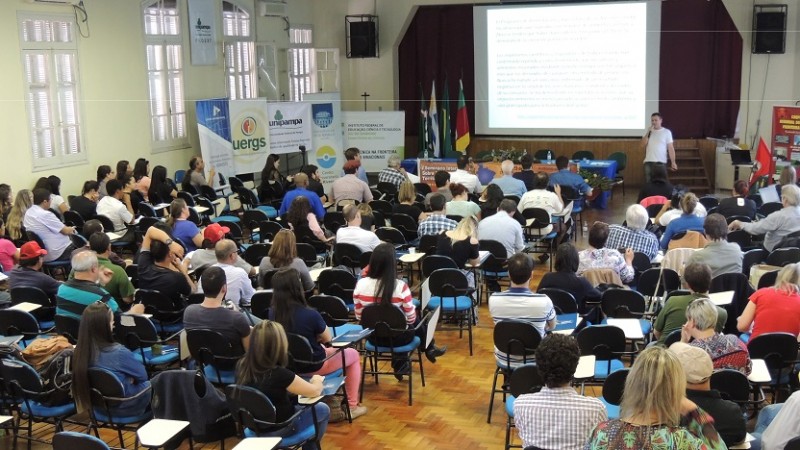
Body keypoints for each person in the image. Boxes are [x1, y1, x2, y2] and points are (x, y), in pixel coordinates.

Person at [270, 268, 368, 420]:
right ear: (298, 287)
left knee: (324, 349)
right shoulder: (310, 314)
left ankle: (331, 398)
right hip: (315, 365)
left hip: (288, 366)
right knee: (353, 354)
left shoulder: (272, 313)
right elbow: (328, 338)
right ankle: (352, 405)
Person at [585, 346, 725, 450]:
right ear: (676, 390)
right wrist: (693, 410)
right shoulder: (682, 440)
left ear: (632, 383)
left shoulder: (601, 433)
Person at [235, 320, 331, 449]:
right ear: (279, 344)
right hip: (281, 429)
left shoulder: (241, 365)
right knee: (322, 409)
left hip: (253, 427)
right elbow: (314, 391)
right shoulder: (280, 374)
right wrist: (317, 380)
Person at [354, 243, 446, 365]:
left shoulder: (360, 284)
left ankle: (410, 360)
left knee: (399, 321)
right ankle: (426, 349)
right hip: (399, 339)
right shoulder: (400, 287)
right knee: (411, 320)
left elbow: (359, 317)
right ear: (393, 263)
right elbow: (411, 319)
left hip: (373, 336)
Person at [513, 334, 606, 450]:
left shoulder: (520, 404)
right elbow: (599, 444)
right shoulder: (596, 409)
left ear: (538, 366)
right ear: (575, 367)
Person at [72, 302, 151, 417]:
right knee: (160, 381)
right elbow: (143, 376)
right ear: (103, 326)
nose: (113, 325)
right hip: (127, 407)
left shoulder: (79, 352)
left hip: (98, 408)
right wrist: (128, 379)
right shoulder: (119, 353)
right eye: (111, 321)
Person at [669, 342, 746, 447]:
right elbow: (739, 441)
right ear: (712, 370)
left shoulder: (668, 414)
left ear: (677, 376)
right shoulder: (733, 412)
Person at [489, 253, 555, 365]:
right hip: (535, 360)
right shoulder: (544, 301)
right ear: (532, 275)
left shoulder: (493, 299)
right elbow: (552, 326)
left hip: (505, 359)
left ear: (509, 274)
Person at [56, 250, 144, 319]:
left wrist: (100, 283)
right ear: (94, 269)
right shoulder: (101, 297)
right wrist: (134, 312)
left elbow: (85, 290)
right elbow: (121, 321)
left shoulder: (62, 289)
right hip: (94, 338)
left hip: (72, 337)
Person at [654, 263, 727, 345]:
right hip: (699, 355)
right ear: (711, 281)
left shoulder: (672, 301)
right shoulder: (721, 313)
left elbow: (657, 332)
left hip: (665, 353)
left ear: (687, 284)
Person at [184, 266, 251, 353]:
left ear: (203, 287)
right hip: (235, 364)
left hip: (204, 361)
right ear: (224, 288)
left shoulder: (189, 312)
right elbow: (248, 352)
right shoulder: (236, 318)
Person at [680, 298, 751, 375]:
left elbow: (678, 375)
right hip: (737, 386)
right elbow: (748, 370)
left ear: (693, 322)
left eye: (688, 320)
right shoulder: (736, 342)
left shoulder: (690, 352)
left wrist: (683, 342)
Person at [737, 262, 800, 342]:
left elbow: (742, 327)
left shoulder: (760, 293)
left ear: (779, 276)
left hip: (756, 351)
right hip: (788, 352)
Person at [729, 184, 800, 251]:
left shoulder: (778, 216)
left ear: (785, 199)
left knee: (742, 247)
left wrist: (739, 223)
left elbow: (756, 229)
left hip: (771, 253)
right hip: (793, 253)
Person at [137, 225, 195, 303]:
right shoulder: (177, 278)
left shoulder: (143, 266)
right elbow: (193, 292)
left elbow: (150, 230)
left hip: (149, 310)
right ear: (170, 254)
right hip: (174, 313)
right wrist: (182, 269)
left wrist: (170, 244)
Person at [538, 243, 602, 313]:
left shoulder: (547, 278)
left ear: (557, 260)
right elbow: (598, 297)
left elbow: (539, 296)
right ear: (576, 260)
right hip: (576, 321)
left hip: (551, 319)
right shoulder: (581, 282)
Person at [195, 239, 255, 311]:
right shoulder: (240, 273)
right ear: (232, 255)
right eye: (237, 252)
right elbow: (249, 300)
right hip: (233, 316)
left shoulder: (206, 273)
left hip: (205, 315)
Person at [23, 188, 76, 261]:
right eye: (50, 199)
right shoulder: (46, 215)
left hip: (41, 253)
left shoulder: (28, 212)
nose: (51, 202)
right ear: (45, 202)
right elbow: (66, 231)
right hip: (58, 252)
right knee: (82, 247)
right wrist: (72, 228)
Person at [86, 233, 135, 308]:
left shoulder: (79, 268)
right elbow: (128, 299)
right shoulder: (117, 271)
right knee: (133, 314)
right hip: (114, 312)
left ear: (89, 247)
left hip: (84, 310)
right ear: (109, 247)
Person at [687, 213, 743, 278]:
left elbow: (686, 282)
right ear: (726, 229)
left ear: (705, 232)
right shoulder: (737, 249)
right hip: (735, 288)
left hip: (710, 288)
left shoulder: (697, 257)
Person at [189, 223, 255, 276]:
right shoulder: (230, 256)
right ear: (222, 239)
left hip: (204, 291)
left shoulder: (196, 254)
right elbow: (252, 272)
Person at [435, 216, 480, 286]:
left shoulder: (442, 233)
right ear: (474, 229)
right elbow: (474, 264)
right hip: (457, 277)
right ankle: (473, 296)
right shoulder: (472, 241)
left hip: (437, 274)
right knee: (474, 274)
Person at [641, 112, 677, 183]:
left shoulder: (667, 132)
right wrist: (648, 132)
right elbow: (642, 145)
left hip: (661, 162)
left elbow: (671, 148)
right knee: (649, 183)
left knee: (662, 183)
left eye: (656, 120)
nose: (653, 122)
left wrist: (673, 162)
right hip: (648, 162)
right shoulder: (648, 132)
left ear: (661, 120)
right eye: (652, 120)